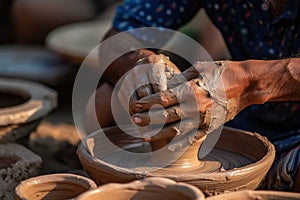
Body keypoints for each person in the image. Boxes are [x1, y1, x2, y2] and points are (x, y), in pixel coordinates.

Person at [85, 0, 300, 191]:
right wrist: (138, 65)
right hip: (244, 118)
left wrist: (247, 81)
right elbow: (118, 37)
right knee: (105, 102)